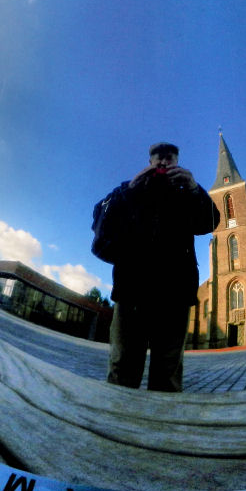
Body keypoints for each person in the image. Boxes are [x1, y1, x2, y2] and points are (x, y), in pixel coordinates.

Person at [92, 142, 219, 391]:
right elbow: (102, 218)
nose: (162, 162)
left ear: (177, 162)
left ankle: (163, 424)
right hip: (132, 292)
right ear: (149, 162)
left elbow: (210, 222)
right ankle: (117, 420)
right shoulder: (129, 191)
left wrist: (195, 189)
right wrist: (128, 190)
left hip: (175, 295)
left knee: (168, 372)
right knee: (123, 368)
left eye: (169, 158)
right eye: (158, 158)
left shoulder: (186, 194)